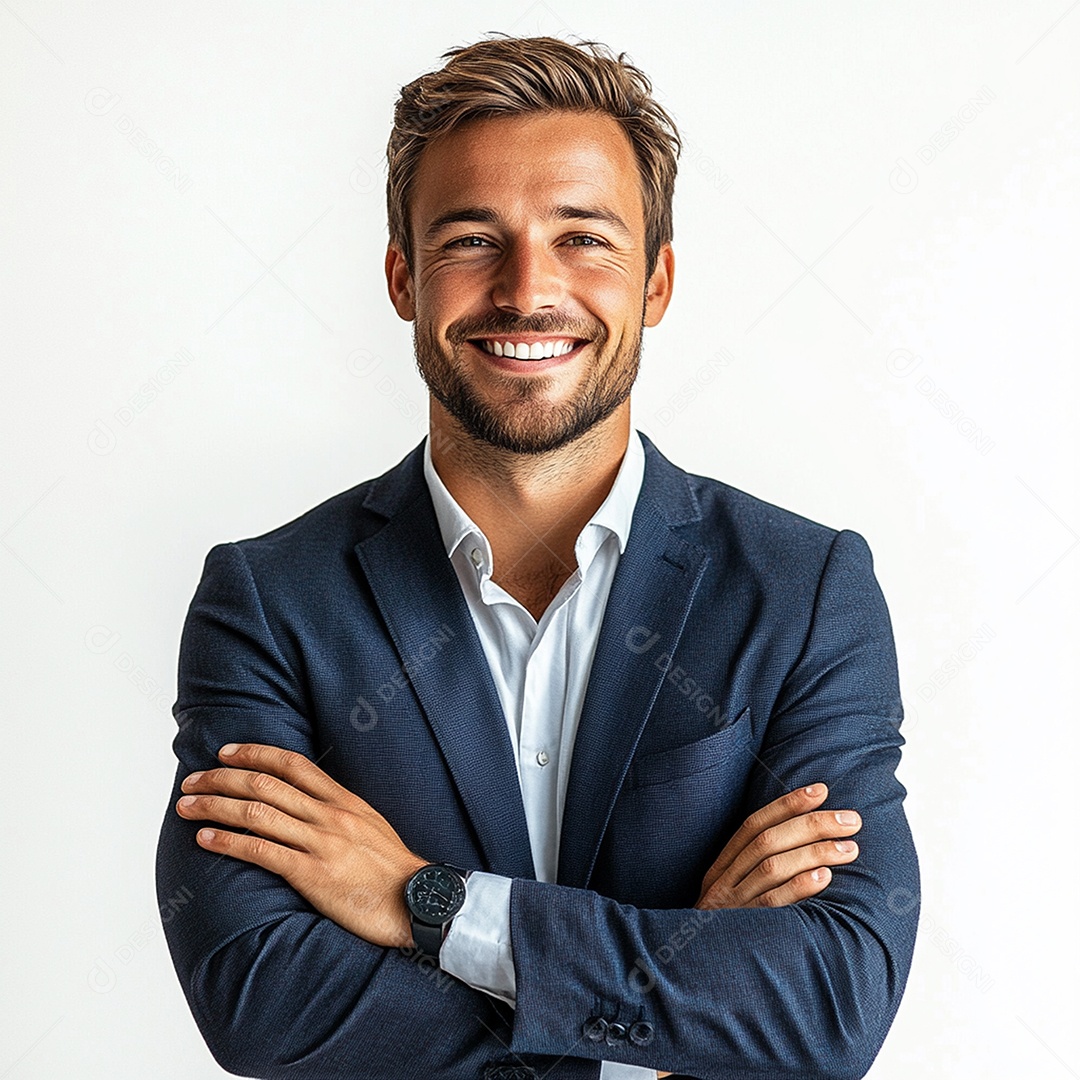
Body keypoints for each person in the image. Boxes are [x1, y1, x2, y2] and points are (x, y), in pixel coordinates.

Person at [156, 35, 918, 1080]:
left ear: (655, 283)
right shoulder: (271, 601)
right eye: (472, 239)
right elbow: (262, 998)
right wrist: (668, 1011)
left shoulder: (804, 589)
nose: (526, 290)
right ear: (402, 278)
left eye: (583, 240)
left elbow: (830, 1003)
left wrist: (424, 902)